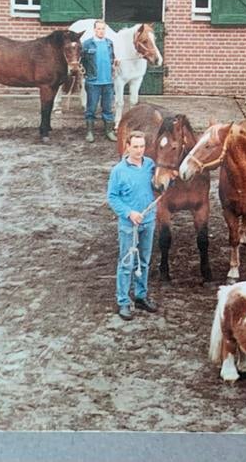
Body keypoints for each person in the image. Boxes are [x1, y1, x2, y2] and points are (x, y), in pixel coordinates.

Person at [107, 130, 159, 321]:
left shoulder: (150, 165)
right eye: (135, 147)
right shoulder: (118, 171)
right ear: (127, 147)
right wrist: (129, 213)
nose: (139, 150)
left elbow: (158, 183)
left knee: (144, 261)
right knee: (127, 263)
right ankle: (123, 301)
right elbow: (112, 197)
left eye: (142, 147)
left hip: (149, 220)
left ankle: (140, 296)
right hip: (129, 225)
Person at [81, 19, 117, 143]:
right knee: (91, 108)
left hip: (108, 82)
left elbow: (112, 59)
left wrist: (115, 64)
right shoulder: (87, 44)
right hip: (93, 82)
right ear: (94, 30)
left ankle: (109, 131)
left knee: (108, 108)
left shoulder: (109, 43)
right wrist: (84, 73)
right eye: (99, 29)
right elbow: (81, 62)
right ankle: (90, 132)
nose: (101, 31)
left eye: (103, 29)